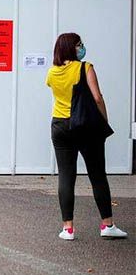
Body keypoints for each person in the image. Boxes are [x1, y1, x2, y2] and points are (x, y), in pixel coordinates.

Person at [46, 33, 127, 241]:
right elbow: (97, 97)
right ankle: (107, 225)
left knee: (66, 175)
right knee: (97, 174)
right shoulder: (85, 68)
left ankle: (68, 229)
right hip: (84, 125)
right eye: (79, 44)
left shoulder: (52, 72)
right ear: (71, 48)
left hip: (59, 125)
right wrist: (104, 121)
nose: (82, 47)